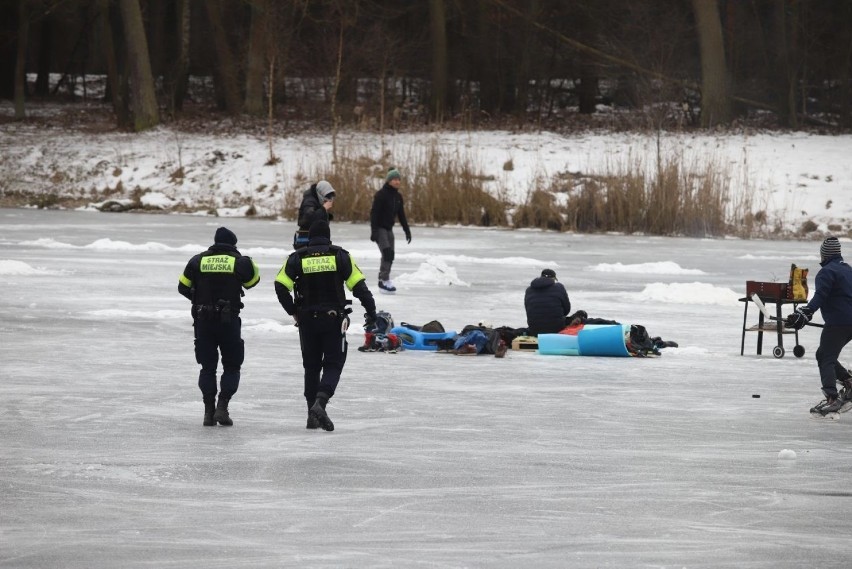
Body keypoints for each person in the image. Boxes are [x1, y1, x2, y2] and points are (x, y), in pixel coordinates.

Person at [274, 220, 377, 431]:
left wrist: (293, 310)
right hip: (333, 319)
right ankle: (320, 403)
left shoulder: (297, 258)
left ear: (309, 238)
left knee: (311, 366)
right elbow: (359, 286)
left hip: (306, 320)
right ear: (328, 237)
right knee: (333, 363)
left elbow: (280, 285)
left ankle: (311, 415)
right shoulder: (340, 256)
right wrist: (371, 311)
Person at [178, 227, 260, 426]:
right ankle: (222, 407)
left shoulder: (197, 260)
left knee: (207, 368)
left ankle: (208, 412)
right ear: (233, 243)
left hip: (203, 321)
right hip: (228, 322)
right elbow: (253, 281)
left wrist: (197, 301)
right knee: (232, 366)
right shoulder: (239, 262)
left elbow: (182, 287)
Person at [785, 237, 852, 417]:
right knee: (822, 354)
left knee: (826, 358)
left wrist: (805, 312)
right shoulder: (848, 270)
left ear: (825, 254)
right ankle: (848, 381)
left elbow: (820, 296)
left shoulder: (827, 272)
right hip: (849, 324)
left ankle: (832, 400)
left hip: (838, 323)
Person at [370, 167, 411, 293]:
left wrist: (406, 230)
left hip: (389, 229)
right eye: (394, 179)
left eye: (398, 179)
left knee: (390, 255)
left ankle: (384, 279)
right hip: (380, 228)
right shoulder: (381, 195)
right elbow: (374, 213)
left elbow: (401, 214)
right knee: (386, 253)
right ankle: (383, 280)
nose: (397, 181)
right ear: (388, 181)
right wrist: (374, 231)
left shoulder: (398, 196)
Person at [524, 268, 571, 336]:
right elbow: (567, 310)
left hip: (535, 330)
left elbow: (528, 310)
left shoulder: (529, 290)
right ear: (553, 278)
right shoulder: (559, 287)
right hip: (556, 329)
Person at [294, 180, 336, 248]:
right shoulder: (309, 201)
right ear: (321, 194)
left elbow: (317, 217)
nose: (329, 200)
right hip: (306, 240)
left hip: (315, 239)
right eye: (327, 197)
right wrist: (324, 209)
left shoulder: (317, 200)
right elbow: (308, 218)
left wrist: (327, 216)